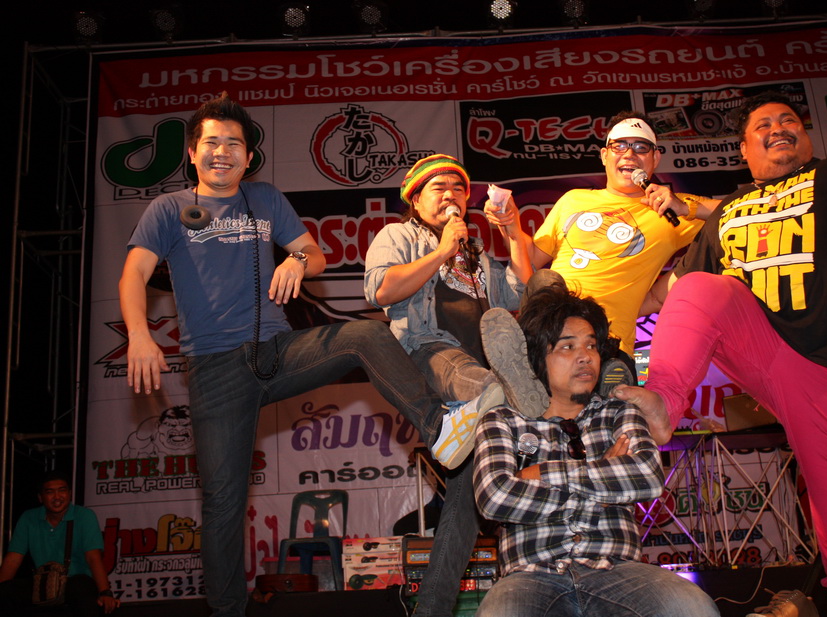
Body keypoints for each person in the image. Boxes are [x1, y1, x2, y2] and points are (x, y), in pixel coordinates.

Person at [118, 93, 489, 617]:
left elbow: (315, 254)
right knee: (223, 503)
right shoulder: (167, 209)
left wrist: (296, 260)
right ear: (193, 153)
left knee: (365, 336)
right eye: (212, 143)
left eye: (234, 144)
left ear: (249, 157)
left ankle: (440, 430)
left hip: (276, 352)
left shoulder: (264, 199)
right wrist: (139, 334)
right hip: (215, 370)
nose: (223, 152)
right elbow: (133, 274)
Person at [615, 91, 827, 617]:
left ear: (804, 135)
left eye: (788, 121)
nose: (778, 127)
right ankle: (664, 403)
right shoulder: (731, 207)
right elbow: (671, 294)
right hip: (760, 342)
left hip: (826, 358)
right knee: (698, 286)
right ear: (743, 148)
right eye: (763, 124)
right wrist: (605, 306)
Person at [364, 153, 549, 617]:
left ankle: (433, 608)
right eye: (439, 188)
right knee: (487, 386)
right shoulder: (399, 235)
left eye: (459, 189)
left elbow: (525, 291)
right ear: (415, 199)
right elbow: (381, 291)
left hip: (481, 383)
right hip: (428, 354)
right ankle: (505, 398)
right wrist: (441, 251)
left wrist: (513, 232)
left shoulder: (475, 252)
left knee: (464, 502)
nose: (451, 195)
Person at [472, 285, 720, 617]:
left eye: (591, 345)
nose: (585, 356)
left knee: (693, 608)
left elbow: (647, 477)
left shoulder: (618, 412)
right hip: (531, 574)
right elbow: (496, 498)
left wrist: (541, 473)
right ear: (538, 358)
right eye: (567, 346)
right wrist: (602, 482)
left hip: (618, 569)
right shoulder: (503, 420)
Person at [526, 112, 719, 363]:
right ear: (604, 155)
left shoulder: (669, 207)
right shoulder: (573, 199)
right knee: (544, 281)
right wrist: (510, 226)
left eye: (640, 147)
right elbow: (530, 263)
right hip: (551, 334)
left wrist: (686, 208)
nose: (629, 154)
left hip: (609, 344)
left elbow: (744, 206)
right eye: (619, 146)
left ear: (655, 158)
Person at [0, 470, 120, 616]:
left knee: (82, 585)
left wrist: (105, 592)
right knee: (7, 592)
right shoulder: (28, 518)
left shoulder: (84, 515)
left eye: (62, 490)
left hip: (76, 582)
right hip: (42, 583)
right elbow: (13, 558)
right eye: (50, 492)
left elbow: (93, 557)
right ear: (40, 497)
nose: (57, 497)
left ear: (70, 494)